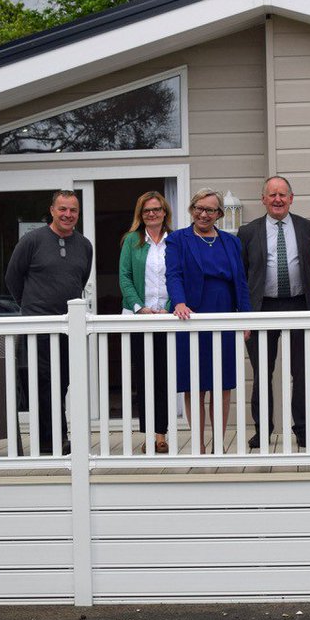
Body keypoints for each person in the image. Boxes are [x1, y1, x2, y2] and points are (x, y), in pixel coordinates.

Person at [5, 189, 94, 456]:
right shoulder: (32, 241)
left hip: (71, 328)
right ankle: (50, 442)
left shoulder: (84, 245)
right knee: (43, 383)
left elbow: (81, 279)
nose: (68, 214)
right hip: (39, 328)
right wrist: (33, 307)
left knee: (65, 382)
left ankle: (58, 438)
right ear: (52, 210)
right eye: (63, 209)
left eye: (73, 210)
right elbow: (13, 278)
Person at [166, 189, 251, 453]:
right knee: (195, 383)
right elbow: (174, 274)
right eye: (199, 208)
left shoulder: (231, 242)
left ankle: (218, 444)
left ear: (219, 214)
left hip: (224, 314)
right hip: (191, 316)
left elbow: (241, 282)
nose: (204, 214)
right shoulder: (178, 239)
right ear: (192, 209)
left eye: (210, 210)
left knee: (222, 383)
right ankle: (199, 445)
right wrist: (178, 302)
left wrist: (245, 317)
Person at [238, 176, 310, 450]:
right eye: (272, 195)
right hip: (262, 308)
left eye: (282, 195)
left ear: (291, 198)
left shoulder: (308, 228)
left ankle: (303, 430)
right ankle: (262, 430)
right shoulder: (248, 232)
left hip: (298, 305)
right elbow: (243, 273)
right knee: (263, 373)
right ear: (263, 199)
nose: (277, 199)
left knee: (301, 372)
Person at [118, 191, 172, 454]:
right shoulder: (132, 241)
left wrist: (170, 309)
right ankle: (150, 434)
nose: (152, 214)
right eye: (147, 210)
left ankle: (162, 435)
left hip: (169, 320)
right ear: (140, 214)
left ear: (165, 212)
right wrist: (140, 308)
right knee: (145, 377)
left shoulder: (175, 241)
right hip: (141, 319)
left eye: (156, 209)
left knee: (164, 376)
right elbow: (125, 277)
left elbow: (179, 276)